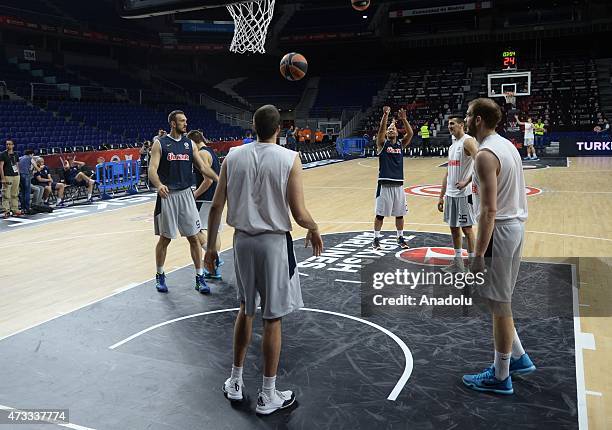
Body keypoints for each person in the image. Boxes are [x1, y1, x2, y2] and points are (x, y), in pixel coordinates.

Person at [204, 104, 323, 415]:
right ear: (279, 129)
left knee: (246, 309)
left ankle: (235, 380)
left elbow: (216, 207)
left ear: (252, 128)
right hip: (272, 244)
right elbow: (299, 213)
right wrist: (314, 227)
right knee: (272, 317)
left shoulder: (233, 156)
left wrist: (210, 248)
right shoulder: (289, 158)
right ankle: (268, 394)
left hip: (241, 241)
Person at [463, 98, 535, 395]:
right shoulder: (507, 146)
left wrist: (478, 254)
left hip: (501, 230)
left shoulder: (484, 155)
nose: (465, 119)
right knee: (497, 300)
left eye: (468, 115)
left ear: (478, 120)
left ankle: (501, 375)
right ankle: (518, 357)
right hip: (515, 227)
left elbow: (489, 211)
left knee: (500, 305)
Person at [148, 110, 219, 294]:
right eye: (182, 121)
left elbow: (203, 167)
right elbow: (152, 169)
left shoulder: (189, 144)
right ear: (173, 123)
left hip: (187, 194)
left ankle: (199, 278)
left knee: (194, 238)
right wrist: (159, 184)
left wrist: (220, 180)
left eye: (186, 121)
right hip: (168, 195)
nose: (185, 124)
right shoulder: (160, 144)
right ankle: (160, 275)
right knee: (165, 239)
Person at [437, 116, 478, 273]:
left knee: (467, 230)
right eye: (448, 124)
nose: (449, 126)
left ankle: (473, 264)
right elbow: (448, 174)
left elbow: (480, 161)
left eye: (452, 123)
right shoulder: (453, 146)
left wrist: (467, 182)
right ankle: (458, 263)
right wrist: (441, 196)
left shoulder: (468, 141)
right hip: (451, 195)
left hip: (463, 195)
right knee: (454, 228)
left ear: (462, 125)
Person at [372, 106, 414, 250]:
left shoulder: (401, 145)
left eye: (393, 128)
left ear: (397, 132)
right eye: (389, 129)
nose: (390, 130)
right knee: (380, 215)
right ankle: (376, 239)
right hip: (384, 185)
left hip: (398, 185)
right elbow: (380, 132)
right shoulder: (382, 144)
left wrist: (404, 119)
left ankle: (400, 237)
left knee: (400, 214)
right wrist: (385, 115)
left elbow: (410, 133)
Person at [187, 129, 223, 281]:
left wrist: (194, 195)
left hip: (206, 198)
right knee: (215, 231)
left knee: (192, 229)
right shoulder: (211, 152)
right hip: (216, 196)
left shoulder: (201, 154)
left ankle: (214, 257)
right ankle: (214, 269)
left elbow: (207, 180)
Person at [0, 139, 21, 218]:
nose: (8, 145)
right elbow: (1, 167)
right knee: (6, 194)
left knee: (15, 194)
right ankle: (6, 210)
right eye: (7, 144)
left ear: (13, 145)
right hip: (7, 176)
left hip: (16, 176)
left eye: (9, 144)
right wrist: (2, 178)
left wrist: (18, 174)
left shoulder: (16, 154)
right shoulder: (3, 154)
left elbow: (17, 165)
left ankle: (15, 209)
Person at [18, 149, 38, 214]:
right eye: (33, 155)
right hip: (26, 175)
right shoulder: (30, 158)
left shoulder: (20, 158)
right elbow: (36, 167)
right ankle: (27, 207)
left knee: (22, 192)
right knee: (27, 192)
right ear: (31, 154)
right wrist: (39, 168)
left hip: (19, 175)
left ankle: (23, 208)